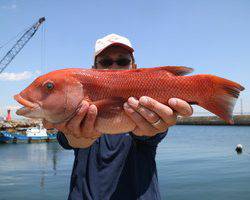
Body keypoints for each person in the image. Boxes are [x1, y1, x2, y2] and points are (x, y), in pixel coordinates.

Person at [43, 34, 193, 200]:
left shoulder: (147, 103)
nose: (114, 67)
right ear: (93, 69)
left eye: (122, 62)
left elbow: (152, 136)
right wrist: (75, 137)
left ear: (134, 67)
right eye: (106, 62)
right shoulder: (76, 100)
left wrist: (153, 128)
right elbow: (66, 138)